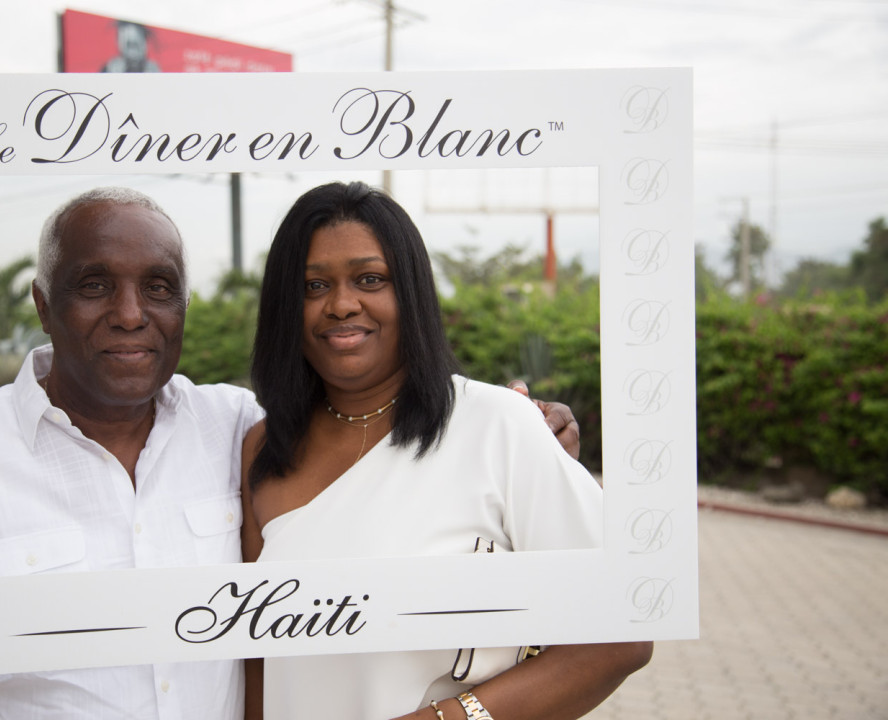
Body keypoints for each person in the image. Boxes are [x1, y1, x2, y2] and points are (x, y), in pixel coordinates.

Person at [0, 186, 581, 720]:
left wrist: (524, 430)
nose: (130, 314)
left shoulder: (241, 431)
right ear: (43, 303)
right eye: (93, 285)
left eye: (159, 287)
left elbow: (378, 437)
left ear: (184, 305)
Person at [241, 181, 652, 720]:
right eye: (313, 285)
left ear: (411, 291)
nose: (340, 304)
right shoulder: (265, 448)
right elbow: (255, 656)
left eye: (370, 279)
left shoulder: (498, 425)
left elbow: (620, 633)